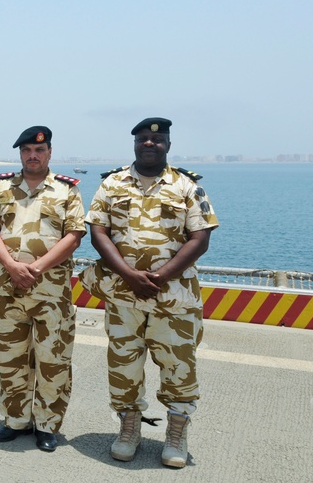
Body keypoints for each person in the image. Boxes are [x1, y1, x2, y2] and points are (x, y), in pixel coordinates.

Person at [81, 117, 217, 468]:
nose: (149, 143)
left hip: (174, 298)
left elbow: (200, 238)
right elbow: (98, 232)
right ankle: (128, 428)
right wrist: (129, 275)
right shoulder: (112, 184)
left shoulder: (188, 186)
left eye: (157, 140)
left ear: (167, 145)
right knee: (124, 365)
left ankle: (176, 433)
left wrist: (158, 277)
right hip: (124, 297)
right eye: (143, 138)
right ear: (135, 144)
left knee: (179, 367)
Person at [0, 126, 85, 452]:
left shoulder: (67, 191)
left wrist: (36, 268)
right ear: (20, 154)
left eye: (39, 150)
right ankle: (15, 421)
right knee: (11, 360)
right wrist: (12, 267)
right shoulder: (2, 188)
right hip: (8, 290)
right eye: (27, 150)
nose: (32, 155)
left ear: (49, 153)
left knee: (53, 361)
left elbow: (74, 236)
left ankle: (46, 425)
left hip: (51, 294)